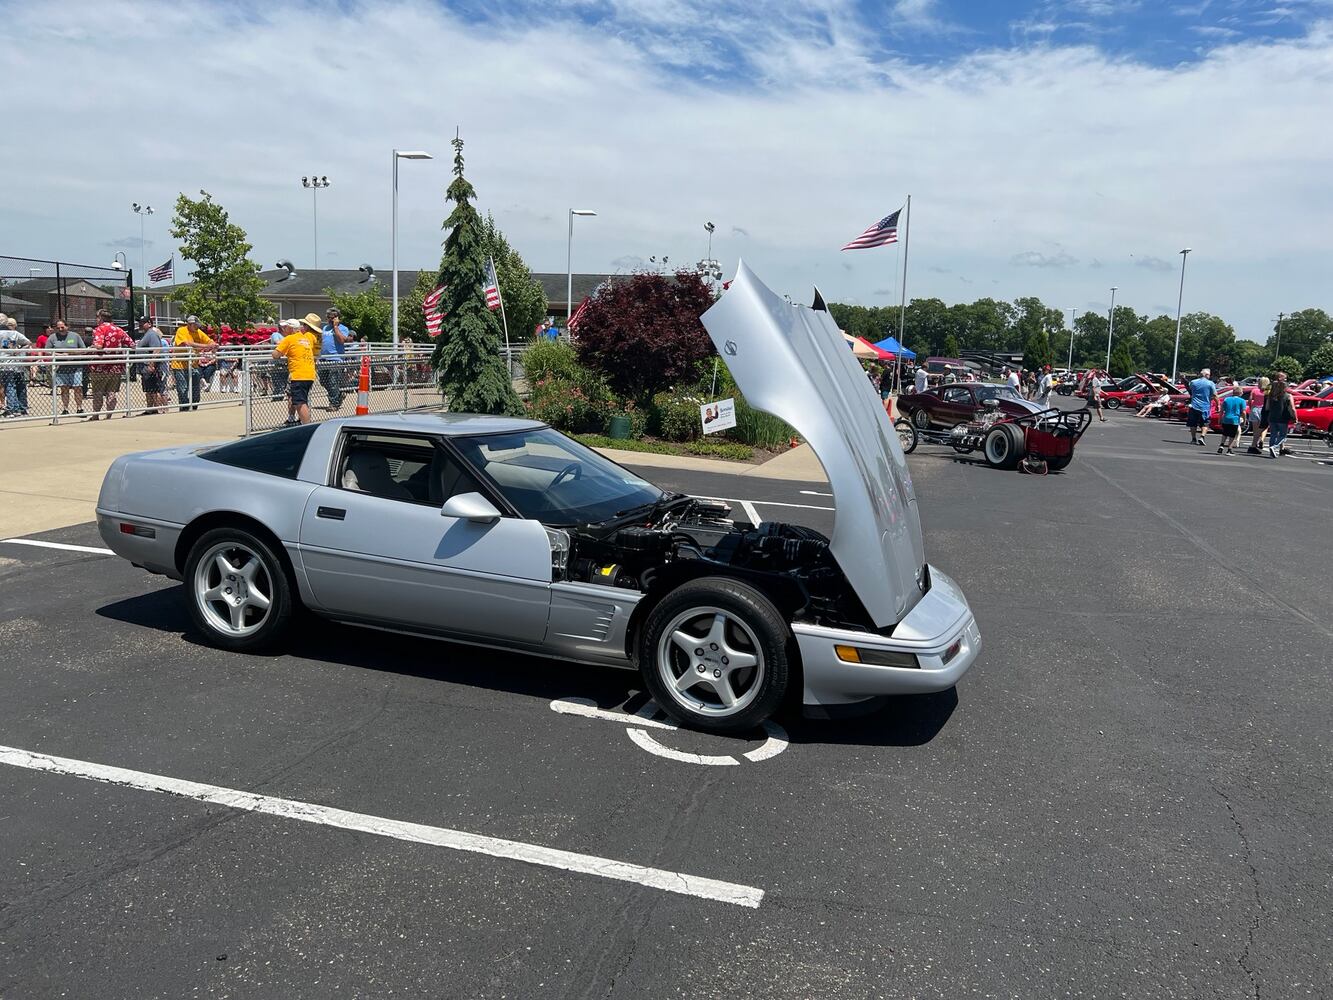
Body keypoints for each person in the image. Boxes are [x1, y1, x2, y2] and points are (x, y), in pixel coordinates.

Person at [88, 310, 135, 419]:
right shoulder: (119, 330)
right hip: (116, 366)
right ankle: (108, 415)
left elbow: (99, 346)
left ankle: (95, 416)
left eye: (97, 317)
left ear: (101, 318)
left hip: (100, 366)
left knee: (98, 392)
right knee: (111, 392)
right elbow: (132, 344)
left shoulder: (100, 329)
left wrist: (91, 348)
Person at [273, 317, 320, 424]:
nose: (284, 329)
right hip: (310, 374)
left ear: (291, 328)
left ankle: (306, 426)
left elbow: (275, 354)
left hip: (298, 375)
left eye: (286, 327)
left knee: (300, 403)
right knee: (303, 400)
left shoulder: (289, 339)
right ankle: (304, 423)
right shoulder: (308, 337)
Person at [171, 316, 214, 411]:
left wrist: (213, 344)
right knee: (183, 388)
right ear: (190, 324)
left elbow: (209, 341)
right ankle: (184, 408)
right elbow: (186, 343)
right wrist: (206, 346)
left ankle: (194, 407)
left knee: (196, 388)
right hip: (179, 364)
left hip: (193, 364)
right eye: (196, 325)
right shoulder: (181, 330)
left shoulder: (198, 332)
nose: (198, 327)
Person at [317, 308, 354, 410]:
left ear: (337, 318)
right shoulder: (325, 328)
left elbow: (342, 340)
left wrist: (336, 326)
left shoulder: (343, 328)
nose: (330, 320)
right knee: (323, 381)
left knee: (333, 381)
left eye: (332, 318)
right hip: (324, 359)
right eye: (328, 317)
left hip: (336, 359)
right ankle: (338, 395)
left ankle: (333, 404)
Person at [48, 320, 86, 416]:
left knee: (78, 387)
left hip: (76, 366)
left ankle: (79, 408)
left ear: (67, 326)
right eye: (58, 328)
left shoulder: (75, 336)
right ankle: (65, 409)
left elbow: (83, 350)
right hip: (61, 367)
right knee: (64, 388)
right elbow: (47, 351)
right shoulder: (52, 337)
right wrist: (59, 355)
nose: (60, 329)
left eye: (62, 327)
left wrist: (71, 353)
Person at [135, 316, 169, 414]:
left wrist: (151, 364)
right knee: (149, 390)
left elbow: (156, 350)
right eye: (139, 322)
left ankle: (161, 410)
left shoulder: (152, 334)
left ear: (149, 323)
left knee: (157, 390)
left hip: (153, 367)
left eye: (143, 322)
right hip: (145, 368)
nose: (140, 325)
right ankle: (150, 410)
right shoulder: (146, 335)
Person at [1, 317, 33, 417]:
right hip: (15, 363)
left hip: (4, 364)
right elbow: (28, 342)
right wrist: (18, 351)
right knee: (19, 386)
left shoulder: (6, 333)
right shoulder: (15, 334)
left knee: (10, 386)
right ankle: (21, 408)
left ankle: (12, 409)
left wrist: (17, 351)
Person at [1265, 376, 1297, 459]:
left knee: (1273, 434)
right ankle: (1274, 447)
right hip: (1283, 417)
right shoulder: (1288, 396)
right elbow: (1292, 408)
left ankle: (1271, 450)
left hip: (1272, 417)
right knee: (1282, 435)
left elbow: (1267, 407)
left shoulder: (1271, 396)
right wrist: (1295, 417)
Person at [1186, 367, 1217, 446]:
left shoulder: (1193, 382)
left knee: (1193, 423)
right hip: (1205, 406)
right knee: (1205, 423)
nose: (1209, 376)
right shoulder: (1210, 383)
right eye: (1209, 375)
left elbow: (1191, 391)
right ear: (1206, 375)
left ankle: (1193, 439)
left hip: (1194, 405)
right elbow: (1214, 395)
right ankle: (1202, 437)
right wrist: (1218, 404)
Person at [1217, 391, 1248, 456]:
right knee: (1232, 435)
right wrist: (1244, 420)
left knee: (1225, 433)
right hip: (1235, 419)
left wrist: (1219, 419)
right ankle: (1229, 449)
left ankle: (1221, 445)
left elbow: (1222, 411)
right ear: (1239, 393)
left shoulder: (1226, 399)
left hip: (1226, 418)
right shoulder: (1242, 400)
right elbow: (1243, 412)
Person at [1246, 377, 1270, 454]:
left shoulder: (1254, 390)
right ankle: (1262, 439)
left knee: (1255, 428)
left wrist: (1250, 407)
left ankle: (1254, 443)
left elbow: (1250, 400)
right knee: (1264, 426)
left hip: (1255, 409)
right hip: (1264, 409)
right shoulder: (1268, 392)